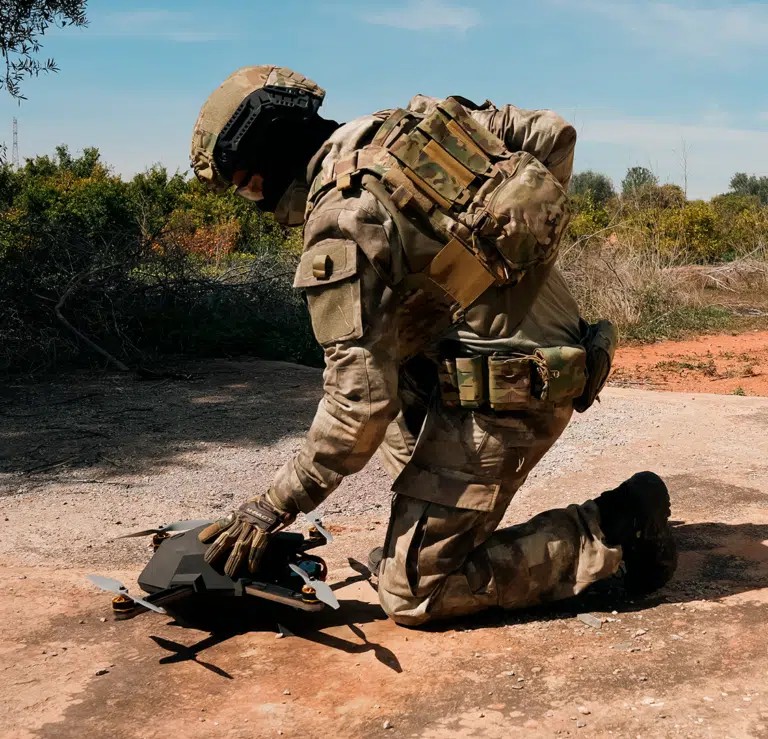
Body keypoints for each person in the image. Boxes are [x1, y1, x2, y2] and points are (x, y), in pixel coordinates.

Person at [190, 65, 677, 626]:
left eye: (249, 184)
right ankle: (427, 527)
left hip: (518, 384)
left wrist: (273, 505)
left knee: (413, 595)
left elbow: (358, 407)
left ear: (268, 153)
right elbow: (553, 135)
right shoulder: (406, 129)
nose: (257, 203)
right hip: (557, 348)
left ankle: (614, 528)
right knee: (399, 351)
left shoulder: (339, 221)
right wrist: (499, 264)